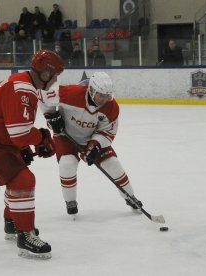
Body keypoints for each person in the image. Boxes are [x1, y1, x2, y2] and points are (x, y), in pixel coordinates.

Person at [0, 49, 64, 259]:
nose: (55, 79)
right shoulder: (22, 89)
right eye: (55, 75)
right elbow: (20, 133)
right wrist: (41, 138)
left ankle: (12, 223)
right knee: (23, 179)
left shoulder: (23, 82)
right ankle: (25, 235)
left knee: (18, 177)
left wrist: (24, 146)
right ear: (45, 72)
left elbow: (15, 129)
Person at [38, 72, 142, 217]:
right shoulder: (70, 93)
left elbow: (107, 132)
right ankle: (70, 201)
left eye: (107, 95)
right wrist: (50, 115)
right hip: (65, 136)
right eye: (100, 94)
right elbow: (41, 95)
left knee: (112, 163)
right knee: (67, 164)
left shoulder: (111, 107)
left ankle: (130, 197)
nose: (104, 99)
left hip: (90, 138)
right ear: (91, 90)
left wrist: (96, 145)